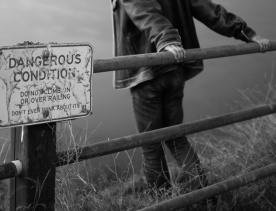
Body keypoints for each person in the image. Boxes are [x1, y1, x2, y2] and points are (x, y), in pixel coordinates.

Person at [111, 0, 270, 194]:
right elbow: (208, 9)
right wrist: (245, 32)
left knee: (151, 144)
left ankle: (164, 202)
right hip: (176, 66)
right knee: (176, 137)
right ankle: (203, 195)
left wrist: (166, 39)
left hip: (148, 71)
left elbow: (143, 10)